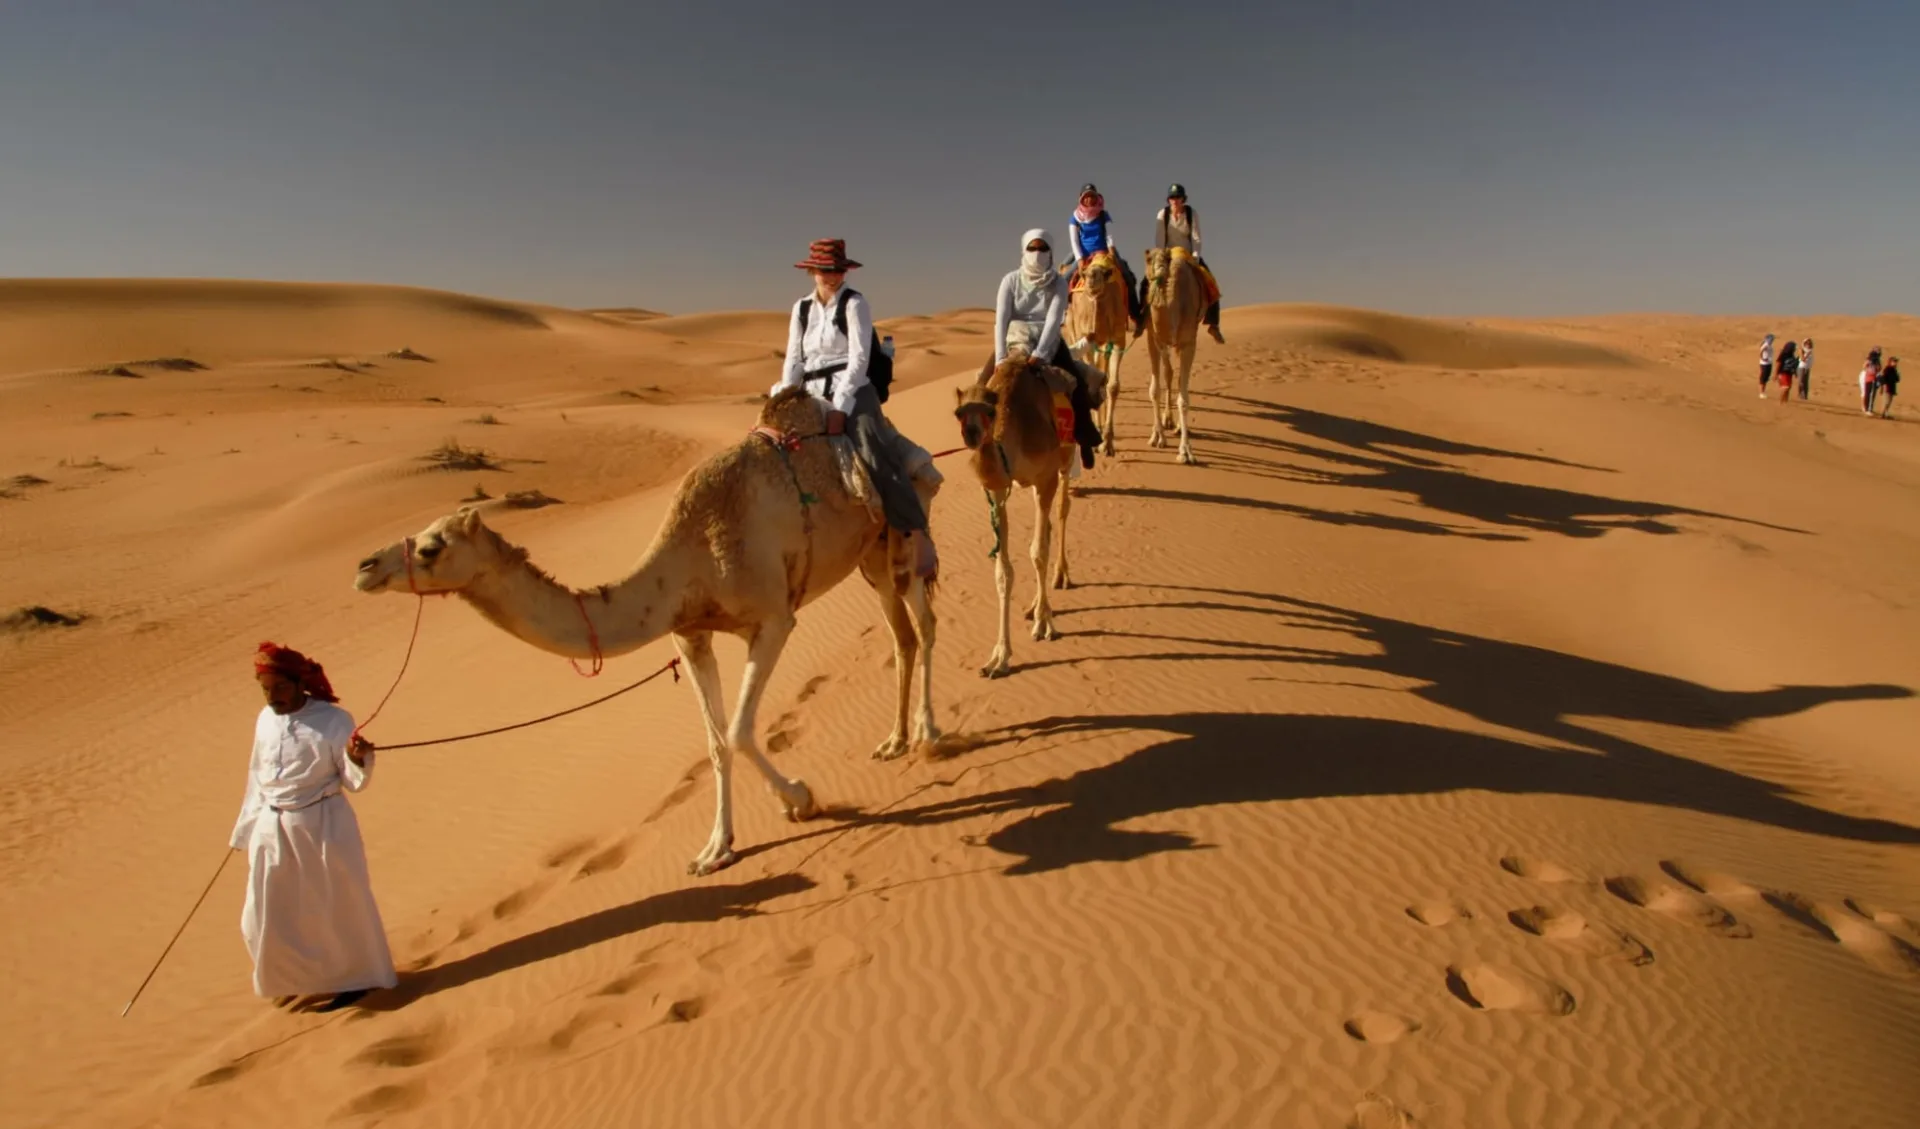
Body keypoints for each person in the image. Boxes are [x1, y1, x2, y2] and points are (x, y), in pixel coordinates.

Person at [231, 642, 396, 1011]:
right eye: (265, 689)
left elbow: (353, 780)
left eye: (280, 688)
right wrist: (246, 827)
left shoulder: (334, 720)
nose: (272, 697)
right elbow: (257, 775)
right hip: (271, 827)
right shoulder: (265, 719)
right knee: (263, 911)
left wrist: (358, 758)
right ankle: (293, 979)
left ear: (300, 684)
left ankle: (358, 979)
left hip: (322, 824)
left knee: (337, 905)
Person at [770, 238, 940, 577]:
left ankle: (916, 532)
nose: (831, 277)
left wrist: (841, 406)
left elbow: (859, 358)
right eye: (824, 271)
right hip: (809, 391)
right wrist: (782, 401)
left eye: (836, 270)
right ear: (812, 271)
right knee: (771, 447)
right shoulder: (801, 309)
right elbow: (793, 360)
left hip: (853, 388)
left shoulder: (854, 304)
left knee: (871, 449)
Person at [994, 228, 1103, 468]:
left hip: (1049, 340)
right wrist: (1000, 356)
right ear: (1024, 250)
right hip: (1015, 337)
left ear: (1051, 252)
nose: (1037, 254)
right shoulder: (1010, 281)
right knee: (984, 386)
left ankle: (1085, 438)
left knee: (1077, 384)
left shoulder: (1058, 284)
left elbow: (1054, 320)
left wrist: (1040, 354)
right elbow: (1001, 319)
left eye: (1042, 248)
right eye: (1032, 248)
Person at [1065, 184, 1146, 336]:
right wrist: (1080, 259)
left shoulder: (1103, 215)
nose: (1089, 199)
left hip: (1103, 252)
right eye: (1086, 196)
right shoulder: (1075, 218)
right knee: (1064, 280)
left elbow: (1109, 235)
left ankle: (1136, 316)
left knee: (1128, 277)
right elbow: (1074, 240)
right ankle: (1061, 317)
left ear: (1097, 198)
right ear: (1082, 199)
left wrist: (1111, 251)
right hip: (1084, 255)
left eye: (1092, 196)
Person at [1151, 184, 1226, 344]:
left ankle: (1213, 324)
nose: (1175, 201)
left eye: (1178, 197)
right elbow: (1159, 240)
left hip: (1188, 254)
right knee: (1148, 283)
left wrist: (1195, 257)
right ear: (1168, 200)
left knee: (1211, 283)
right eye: (1172, 198)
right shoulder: (1162, 215)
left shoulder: (1191, 214)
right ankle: (1143, 319)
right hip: (1168, 255)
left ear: (1183, 199)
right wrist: (1161, 257)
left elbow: (1196, 237)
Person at [1774, 337, 1799, 402]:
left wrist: (1795, 373)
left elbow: (1793, 365)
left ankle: (1785, 402)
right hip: (1782, 373)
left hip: (1789, 374)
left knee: (1788, 388)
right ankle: (1780, 402)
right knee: (1785, 387)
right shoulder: (1783, 354)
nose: (1794, 349)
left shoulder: (1792, 355)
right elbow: (1778, 363)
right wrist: (1775, 374)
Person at [1861, 348, 1883, 415]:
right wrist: (1869, 362)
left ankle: (1868, 409)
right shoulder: (1869, 360)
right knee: (1869, 394)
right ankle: (1867, 409)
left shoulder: (1877, 361)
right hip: (1869, 378)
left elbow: (1879, 369)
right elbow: (1864, 366)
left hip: (1872, 378)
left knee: (1870, 395)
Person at [1758, 334, 1774, 398]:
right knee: (1763, 378)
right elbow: (1761, 351)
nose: (1772, 340)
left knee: (1766, 378)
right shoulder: (1766, 344)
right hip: (1764, 363)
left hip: (1769, 363)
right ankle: (1761, 393)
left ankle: (1763, 392)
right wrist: (1762, 358)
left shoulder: (1769, 345)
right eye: (1771, 339)